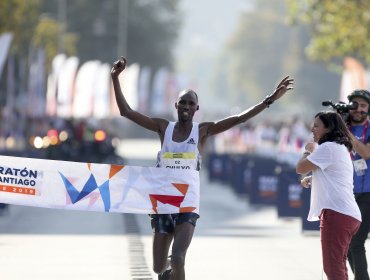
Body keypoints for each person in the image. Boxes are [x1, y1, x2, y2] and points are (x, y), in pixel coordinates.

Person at [111, 56, 294, 280]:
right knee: (159, 267)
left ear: (197, 108)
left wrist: (269, 100)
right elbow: (126, 112)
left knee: (178, 257)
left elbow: (239, 118)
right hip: (162, 200)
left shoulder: (203, 131)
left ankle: (174, 265)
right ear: (175, 105)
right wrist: (115, 78)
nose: (186, 106)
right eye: (183, 102)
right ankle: (167, 269)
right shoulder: (163, 127)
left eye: (190, 103)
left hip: (187, 201)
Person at [296, 111, 361, 280]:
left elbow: (300, 168)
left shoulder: (328, 148)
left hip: (337, 214)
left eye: (317, 125)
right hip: (346, 214)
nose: (312, 129)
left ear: (328, 128)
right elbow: (334, 174)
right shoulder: (338, 148)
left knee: (333, 269)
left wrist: (309, 150)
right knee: (338, 266)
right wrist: (313, 178)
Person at [347, 89, 370, 280]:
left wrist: (345, 133)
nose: (358, 109)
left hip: (368, 194)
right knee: (346, 244)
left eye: (363, 106)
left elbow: (365, 153)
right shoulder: (338, 128)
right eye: (355, 105)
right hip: (345, 193)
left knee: (356, 241)